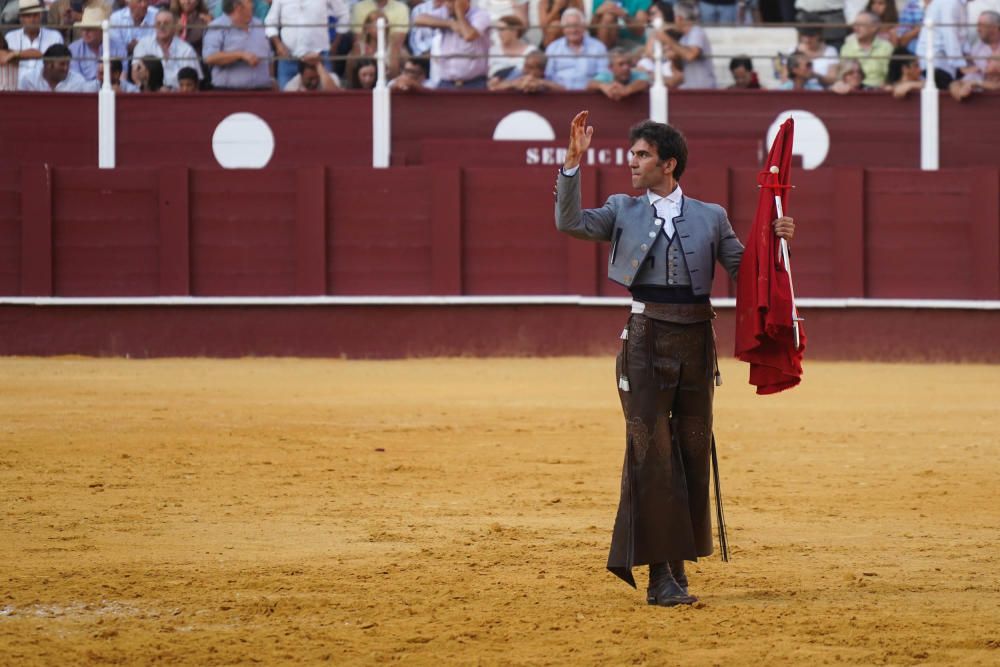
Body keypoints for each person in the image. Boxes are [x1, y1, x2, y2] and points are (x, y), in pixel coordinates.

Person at [553, 110, 793, 607]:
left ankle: (676, 569)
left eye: (641, 156)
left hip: (696, 343)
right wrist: (571, 166)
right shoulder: (622, 208)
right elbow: (570, 222)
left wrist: (778, 239)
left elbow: (747, 272)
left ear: (669, 163)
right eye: (632, 155)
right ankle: (661, 575)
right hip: (644, 339)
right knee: (653, 455)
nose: (632, 164)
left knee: (688, 454)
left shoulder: (711, 216)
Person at [265, 0, 349, 90]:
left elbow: (344, 14)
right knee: (287, 101)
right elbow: (270, 22)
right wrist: (278, 44)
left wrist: (335, 44)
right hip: (289, 58)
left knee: (328, 99)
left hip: (319, 57)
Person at [414, 0, 491, 89]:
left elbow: (468, 35)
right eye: (446, 1)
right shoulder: (445, 12)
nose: (447, 5)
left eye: (451, 1)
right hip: (446, 82)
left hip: (475, 83)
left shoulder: (480, 15)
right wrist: (450, 23)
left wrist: (460, 13)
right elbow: (418, 19)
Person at [202, 0, 272, 90]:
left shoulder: (259, 24)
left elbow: (269, 56)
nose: (253, 5)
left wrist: (271, 79)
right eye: (249, 2)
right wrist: (240, 55)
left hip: (262, 91)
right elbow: (209, 57)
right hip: (230, 93)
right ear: (238, 7)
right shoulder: (217, 26)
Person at [651, 0, 716, 89]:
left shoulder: (696, 31)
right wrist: (674, 57)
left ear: (679, 18)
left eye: (674, 18)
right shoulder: (683, 39)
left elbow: (690, 55)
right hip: (691, 89)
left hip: (704, 90)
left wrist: (667, 40)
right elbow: (680, 67)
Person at [134, 8, 202, 89]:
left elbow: (195, 81)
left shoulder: (186, 49)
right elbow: (135, 75)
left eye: (166, 23)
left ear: (174, 26)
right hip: (150, 95)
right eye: (158, 23)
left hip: (178, 97)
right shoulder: (143, 45)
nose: (162, 26)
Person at [543, 8, 608, 90]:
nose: (573, 30)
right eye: (569, 26)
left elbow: (604, 74)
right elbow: (548, 76)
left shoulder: (598, 47)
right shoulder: (553, 48)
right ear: (563, 28)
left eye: (577, 25)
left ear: (584, 26)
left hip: (588, 95)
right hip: (559, 96)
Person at [5, 0, 65, 82]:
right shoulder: (10, 37)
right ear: (21, 18)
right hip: (16, 86)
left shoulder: (55, 36)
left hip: (44, 87)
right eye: (28, 16)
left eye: (35, 15)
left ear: (41, 16)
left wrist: (15, 54)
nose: (32, 19)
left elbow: (59, 65)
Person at [914, 0, 970, 87]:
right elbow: (949, 34)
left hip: (944, 62)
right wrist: (962, 66)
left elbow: (961, 35)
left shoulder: (958, 4)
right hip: (936, 63)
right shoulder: (950, 2)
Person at [949, 10, 1000, 98]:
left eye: (981, 25)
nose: (977, 29)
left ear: (995, 27)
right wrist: (958, 90)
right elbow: (962, 82)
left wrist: (978, 83)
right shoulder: (977, 49)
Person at [69, 7, 128, 83]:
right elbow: (76, 82)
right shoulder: (73, 49)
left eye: (90, 29)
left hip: (114, 90)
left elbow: (122, 79)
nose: (85, 32)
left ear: (102, 30)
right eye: (83, 29)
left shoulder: (119, 48)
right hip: (84, 93)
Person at [350, 0, 407, 77]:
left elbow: (394, 76)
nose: (381, 27)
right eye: (375, 25)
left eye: (384, 24)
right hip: (362, 86)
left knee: (403, 53)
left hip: (387, 83)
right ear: (367, 29)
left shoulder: (393, 49)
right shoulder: (359, 48)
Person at [839, 10, 893, 87]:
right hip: (854, 91)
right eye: (855, 24)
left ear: (874, 27)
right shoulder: (847, 48)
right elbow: (843, 76)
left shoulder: (886, 47)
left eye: (860, 25)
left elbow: (889, 77)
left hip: (878, 92)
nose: (855, 28)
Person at [18, 42, 92, 90]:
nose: (66, 68)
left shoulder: (78, 81)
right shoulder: (29, 80)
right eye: (62, 64)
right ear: (48, 64)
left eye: (68, 64)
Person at [587, 46, 651, 99]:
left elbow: (645, 82)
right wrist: (604, 86)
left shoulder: (636, 74)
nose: (626, 67)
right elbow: (590, 85)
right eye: (621, 64)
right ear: (610, 67)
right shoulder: (606, 75)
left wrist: (626, 90)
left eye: (628, 63)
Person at [488, 14, 537, 79]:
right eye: (498, 30)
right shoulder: (493, 50)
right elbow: (491, 74)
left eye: (502, 29)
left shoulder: (531, 51)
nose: (499, 33)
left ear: (514, 31)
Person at [488, 50, 565, 91]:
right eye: (525, 66)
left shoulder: (548, 77)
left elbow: (563, 89)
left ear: (542, 71)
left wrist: (540, 83)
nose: (525, 70)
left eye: (530, 67)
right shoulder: (517, 73)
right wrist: (514, 84)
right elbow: (494, 87)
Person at [793, 18, 839, 86]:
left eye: (811, 36)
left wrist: (816, 76)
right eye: (804, 35)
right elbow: (785, 78)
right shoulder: (793, 50)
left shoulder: (831, 51)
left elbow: (833, 79)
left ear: (819, 35)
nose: (807, 39)